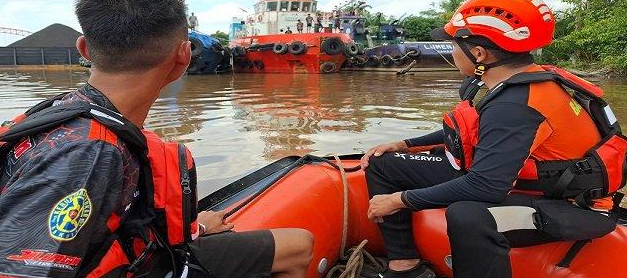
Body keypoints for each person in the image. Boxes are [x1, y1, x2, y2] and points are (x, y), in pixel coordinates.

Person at [0, 1, 314, 278]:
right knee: (299, 245)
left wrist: (198, 228)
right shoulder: (90, 155)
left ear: (84, 49)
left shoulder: (61, 112)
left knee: (297, 244)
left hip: (136, 256)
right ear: (184, 56)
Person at [361, 0, 623, 278]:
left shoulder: (514, 105)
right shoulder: (526, 81)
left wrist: (399, 200)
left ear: (479, 54)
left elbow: (486, 187)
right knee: (383, 163)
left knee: (468, 215)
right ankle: (405, 267)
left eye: (453, 45)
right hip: (531, 183)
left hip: (572, 206)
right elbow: (474, 131)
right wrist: (406, 144)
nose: (452, 52)